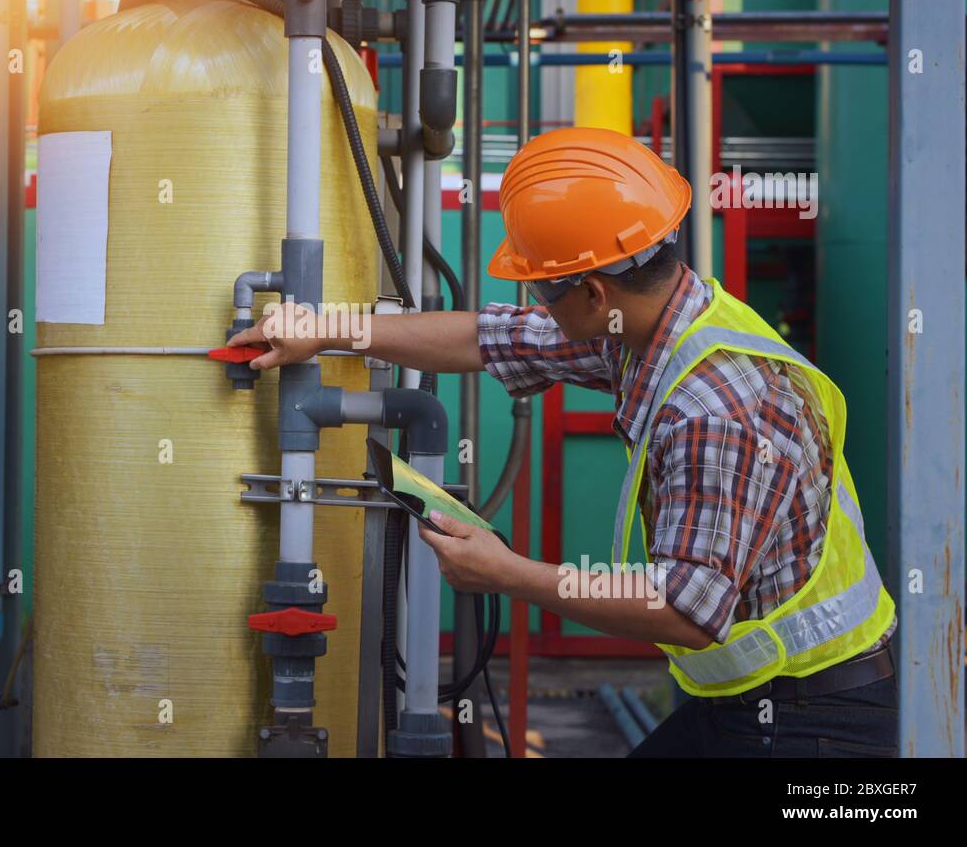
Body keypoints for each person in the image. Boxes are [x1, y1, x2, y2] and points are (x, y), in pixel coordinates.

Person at [228, 126, 898, 757]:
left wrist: (506, 573)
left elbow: (687, 610)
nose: (538, 306)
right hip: (753, 699)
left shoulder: (713, 410)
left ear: (591, 290)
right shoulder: (654, 325)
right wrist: (327, 326)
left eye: (543, 290)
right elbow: (487, 338)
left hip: (820, 722)